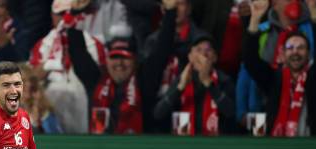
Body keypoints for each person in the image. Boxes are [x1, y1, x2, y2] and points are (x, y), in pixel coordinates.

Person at [243, 0, 316, 136]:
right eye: (290, 48)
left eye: (301, 48)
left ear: (309, 53)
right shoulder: (274, 79)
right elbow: (250, 61)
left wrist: (314, 12)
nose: (295, 52)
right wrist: (255, 19)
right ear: (282, 54)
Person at [29, 0, 105, 134]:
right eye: (61, 14)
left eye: (69, 13)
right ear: (52, 16)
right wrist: (49, 63)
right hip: (50, 105)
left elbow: (99, 82)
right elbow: (31, 79)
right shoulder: (43, 45)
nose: (65, 18)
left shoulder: (93, 43)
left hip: (84, 104)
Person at [142, 0, 208, 132]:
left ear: (189, 8)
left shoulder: (203, 41)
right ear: (163, 9)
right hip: (158, 114)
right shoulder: (151, 41)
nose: (176, 9)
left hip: (192, 109)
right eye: (171, 5)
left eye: (180, 4)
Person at [154, 34, 236, 135]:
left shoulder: (224, 80)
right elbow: (158, 114)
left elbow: (232, 113)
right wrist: (179, 88)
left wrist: (209, 83)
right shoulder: (182, 79)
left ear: (215, 57)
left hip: (216, 144)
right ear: (190, 57)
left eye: (208, 50)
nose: (203, 54)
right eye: (198, 50)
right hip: (183, 144)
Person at [91, 37, 143, 135]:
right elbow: (78, 53)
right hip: (101, 148)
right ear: (106, 60)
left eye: (125, 57)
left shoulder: (145, 84)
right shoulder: (95, 82)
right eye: (114, 57)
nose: (119, 63)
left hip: (136, 148)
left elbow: (161, 49)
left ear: (135, 61)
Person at [19, 63, 62, 134]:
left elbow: (57, 141)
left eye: (31, 80)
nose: (29, 84)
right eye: (23, 81)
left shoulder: (45, 115)